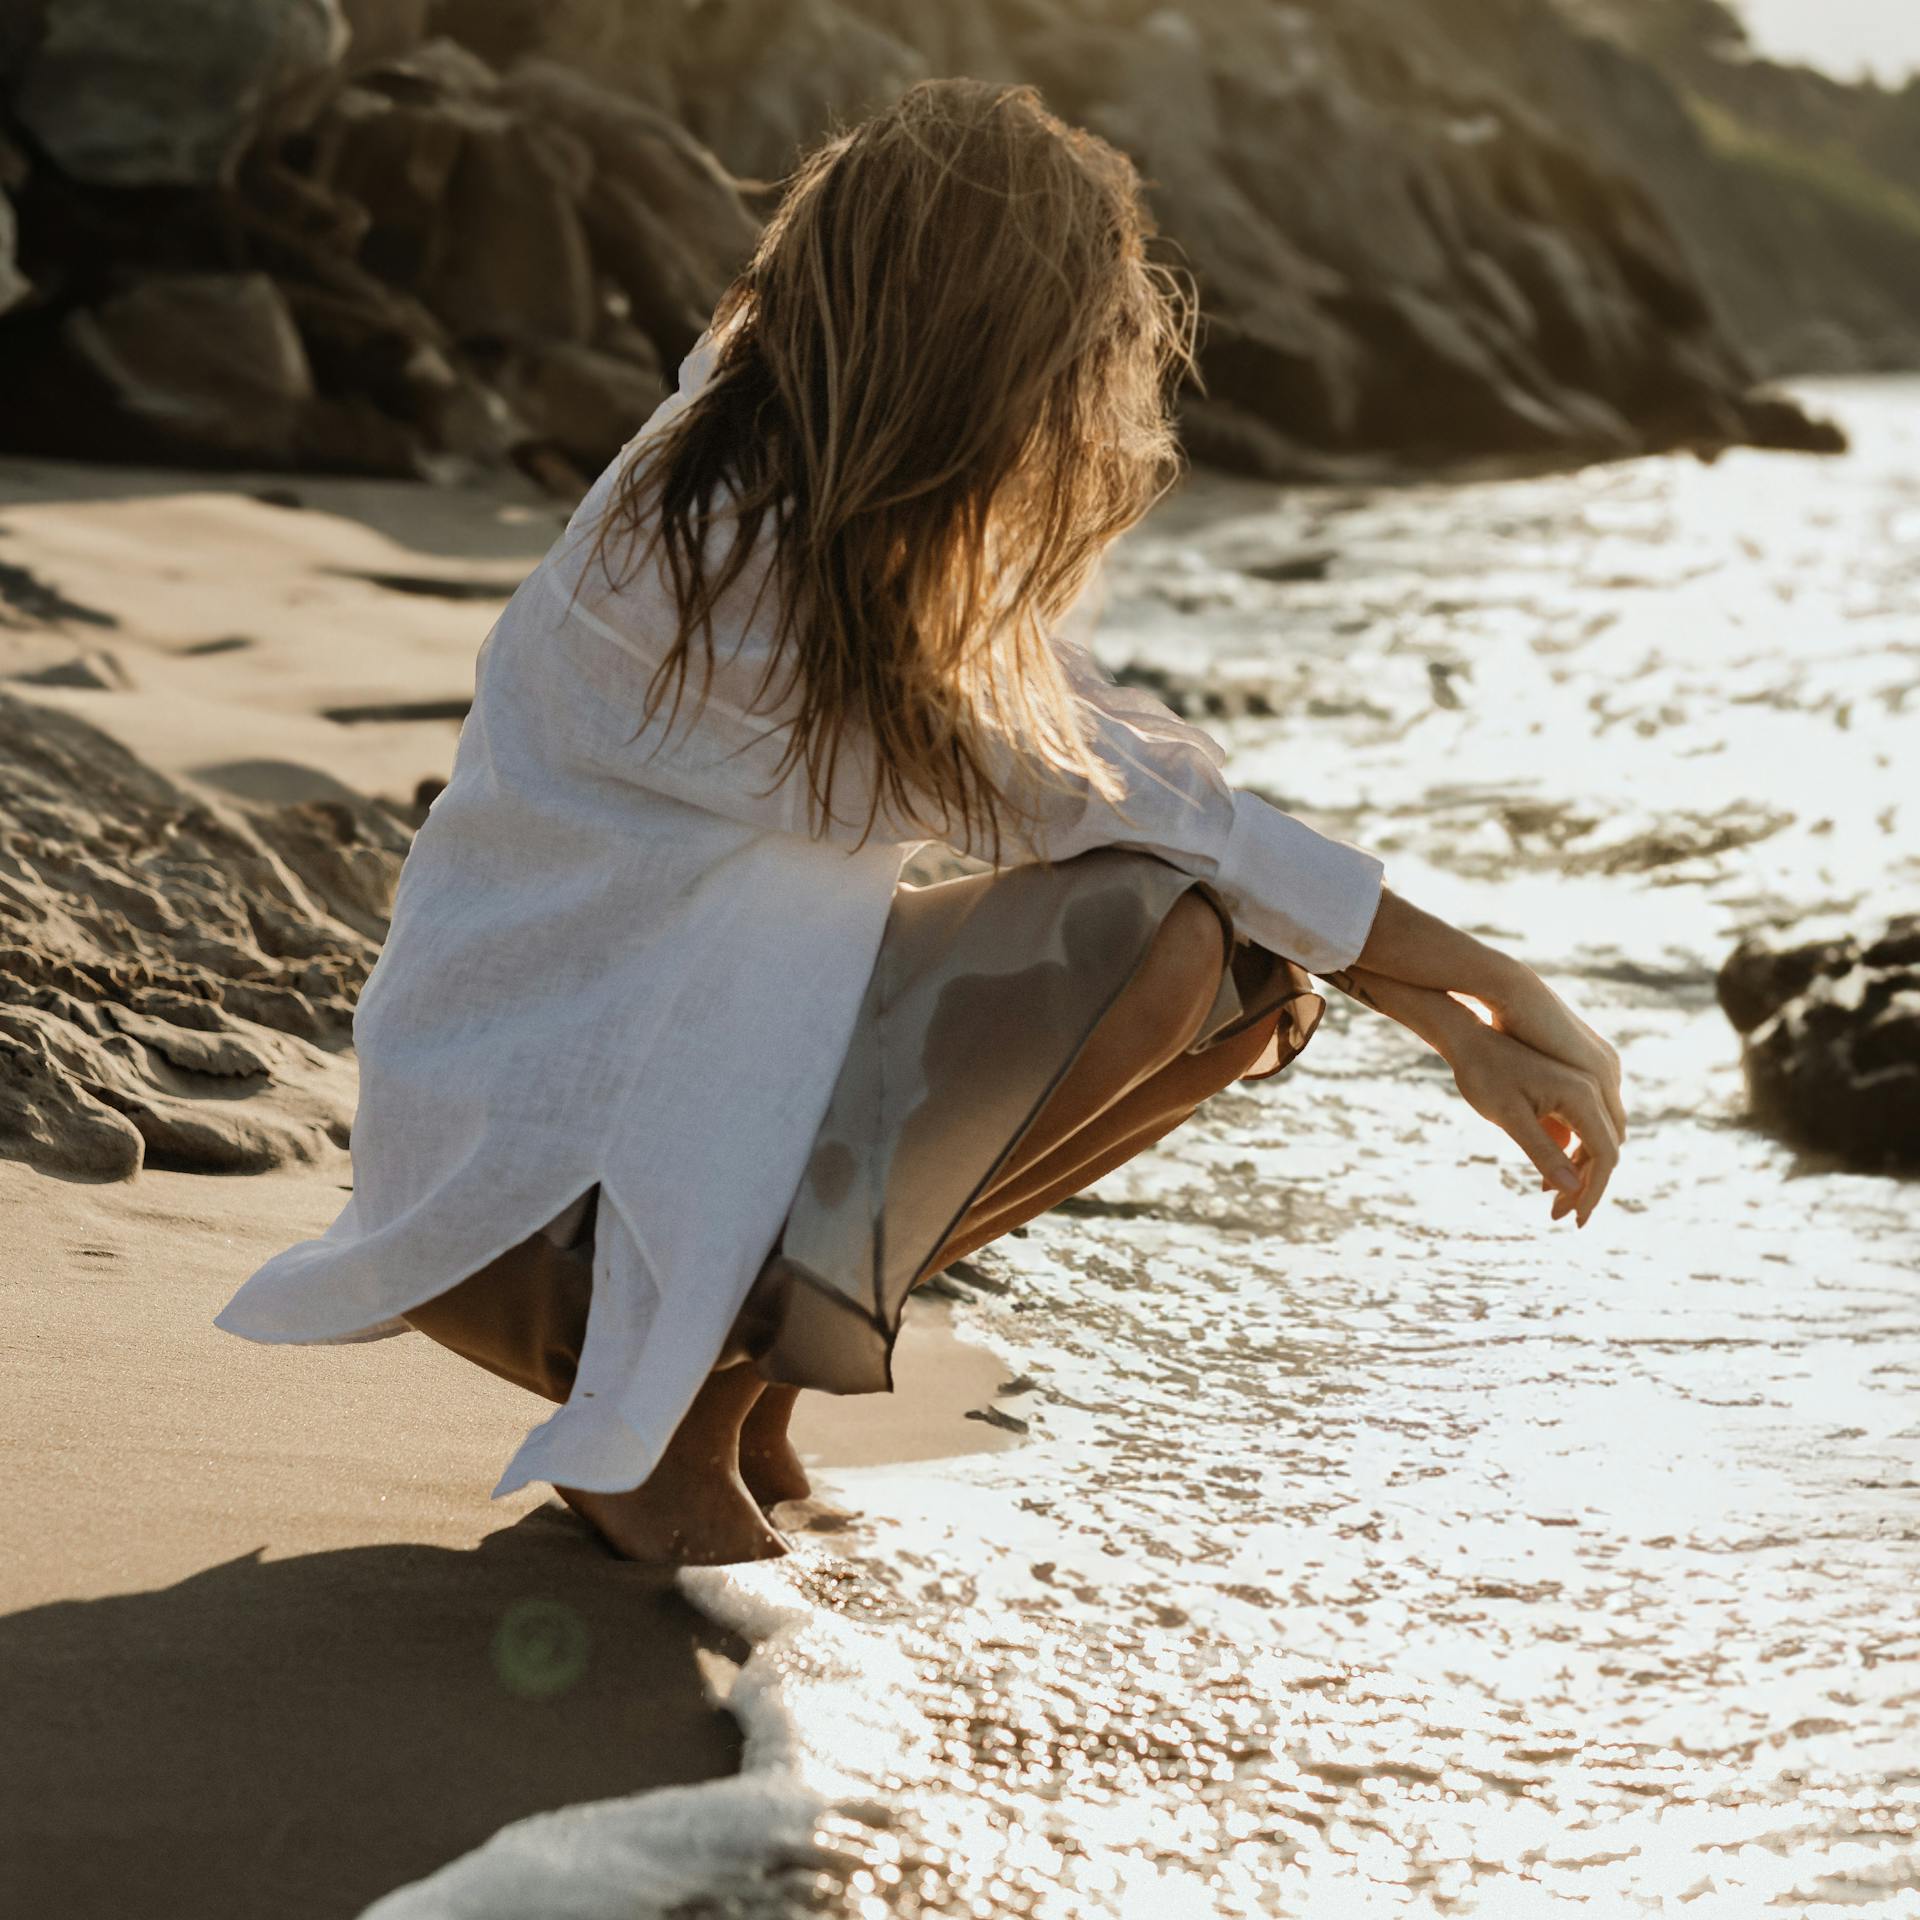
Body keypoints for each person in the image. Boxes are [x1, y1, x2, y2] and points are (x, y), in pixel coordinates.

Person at [216, 78, 1626, 1566]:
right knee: (1149, 934)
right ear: (975, 343)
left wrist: (1453, 1014)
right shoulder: (717, 557)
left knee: (1242, 983)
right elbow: (1100, 797)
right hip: (530, 1197)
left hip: (619, 1123)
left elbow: (1118, 757)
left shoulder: (792, 484)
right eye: (1071, 343)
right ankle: (666, 1424)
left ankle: (750, 1378)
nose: (1088, 383)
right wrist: (1489, 993)